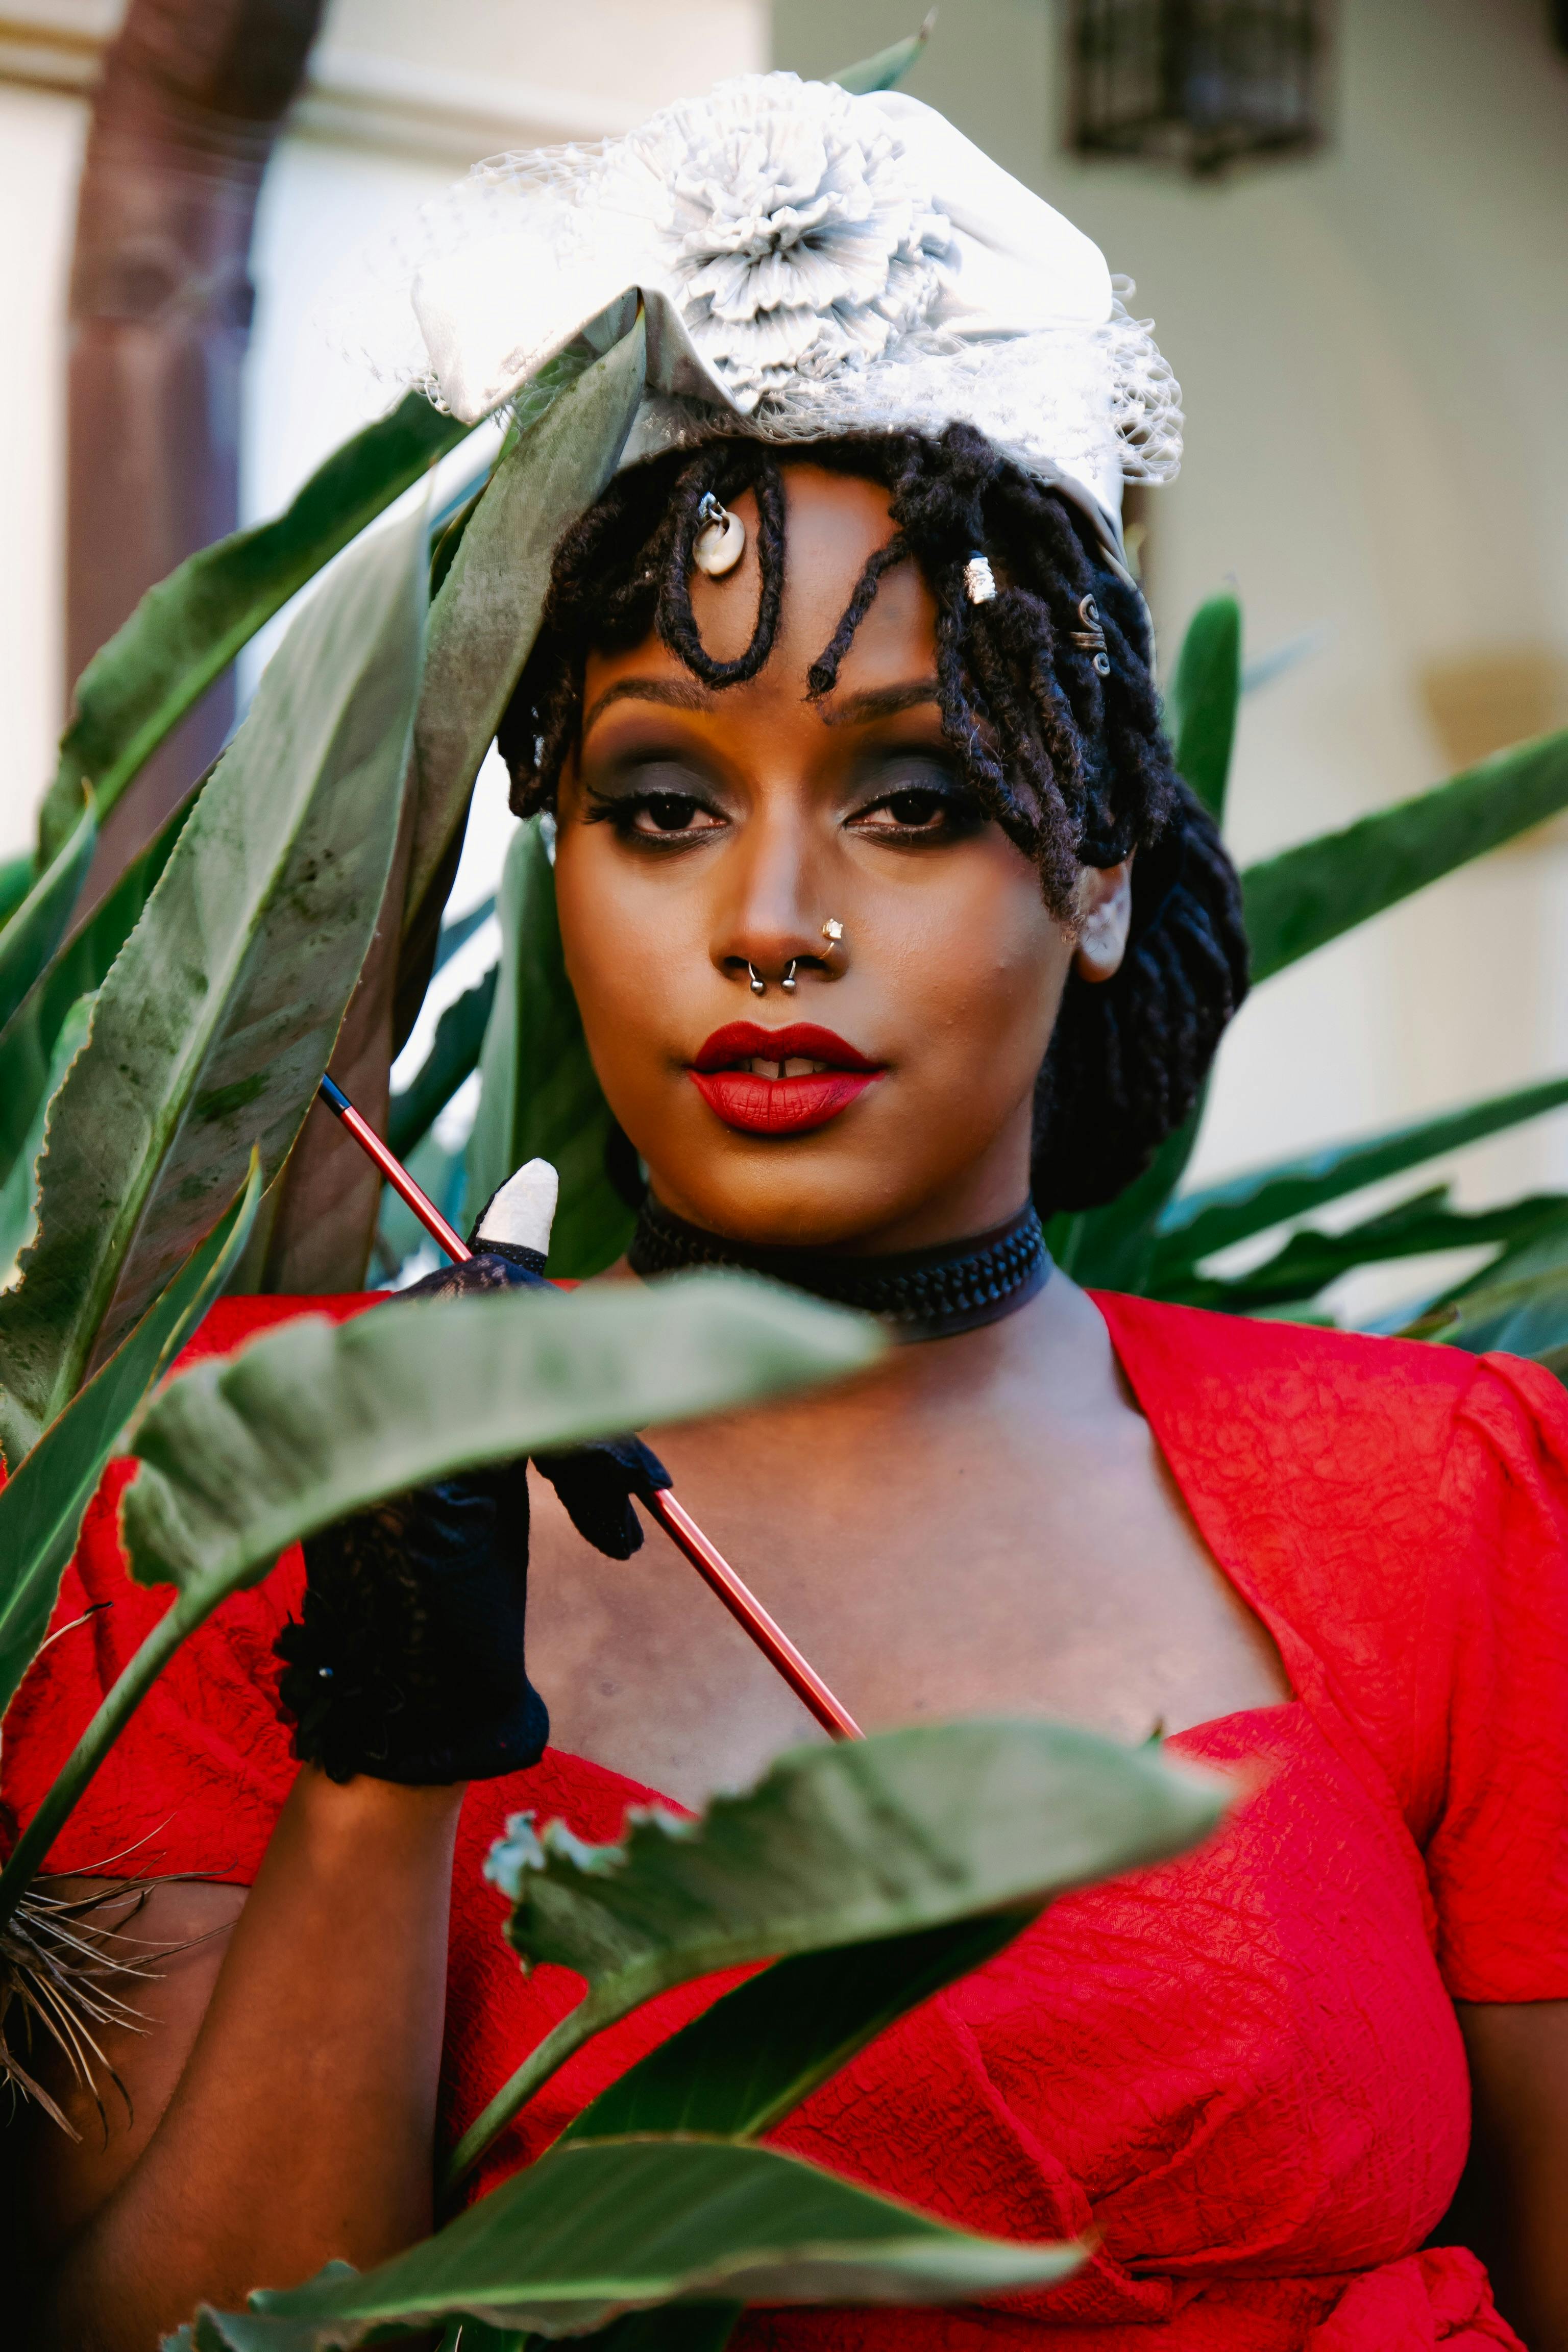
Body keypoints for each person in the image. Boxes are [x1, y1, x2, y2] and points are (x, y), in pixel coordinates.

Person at [6, 68, 1568, 2352]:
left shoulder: (1451, 1500)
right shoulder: (251, 1484)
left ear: (1104, 876)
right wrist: (385, 1759)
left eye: (917, 801)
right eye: (655, 804)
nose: (770, 918)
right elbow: (171, 2333)